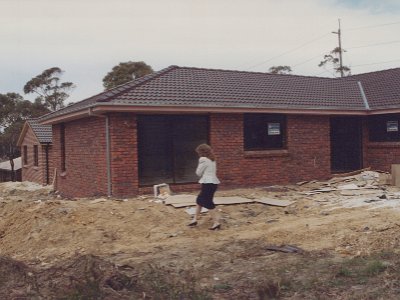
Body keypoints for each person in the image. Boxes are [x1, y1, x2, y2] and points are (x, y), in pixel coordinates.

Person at [188, 143, 221, 230]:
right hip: (213, 183)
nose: (198, 154)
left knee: (208, 202)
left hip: (208, 183)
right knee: (199, 200)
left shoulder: (203, 159)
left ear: (201, 152)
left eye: (198, 152)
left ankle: (216, 222)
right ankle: (194, 219)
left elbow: (198, 173)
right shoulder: (212, 159)